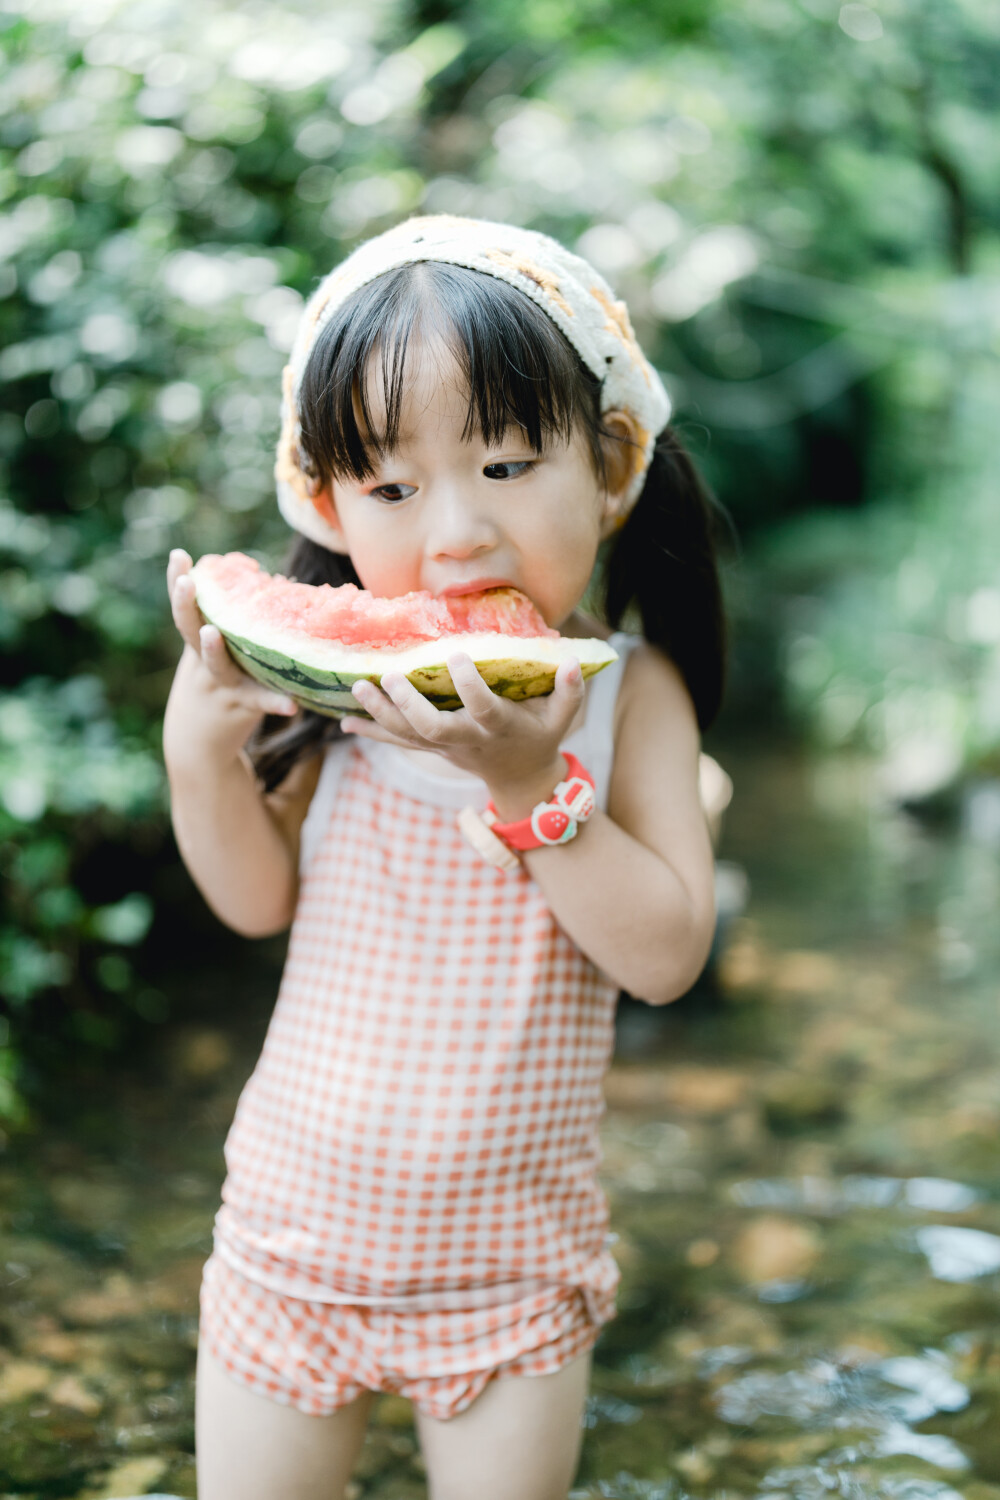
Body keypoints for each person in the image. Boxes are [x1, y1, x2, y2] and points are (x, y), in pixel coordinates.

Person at [163, 213, 728, 1500]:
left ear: (614, 462)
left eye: (509, 460)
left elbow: (664, 959)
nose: (457, 535)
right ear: (324, 498)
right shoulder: (327, 687)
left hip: (512, 1278)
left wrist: (532, 784)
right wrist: (198, 752)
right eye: (394, 489)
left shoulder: (630, 698)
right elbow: (256, 904)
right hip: (289, 1250)